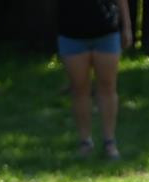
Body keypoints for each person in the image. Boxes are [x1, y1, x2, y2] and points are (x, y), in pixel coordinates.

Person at [57, 0, 133, 160]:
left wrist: (126, 27)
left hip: (107, 30)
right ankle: (85, 142)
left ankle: (109, 142)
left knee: (108, 87)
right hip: (71, 32)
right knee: (79, 89)